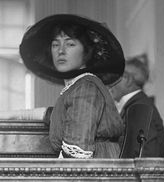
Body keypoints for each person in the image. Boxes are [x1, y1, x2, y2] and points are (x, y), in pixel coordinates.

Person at [19, 14, 125, 158]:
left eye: (70, 44)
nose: (61, 51)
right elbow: (57, 115)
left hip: (96, 173)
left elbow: (77, 153)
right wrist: (11, 115)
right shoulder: (77, 86)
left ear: (86, 52)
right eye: (55, 44)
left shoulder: (85, 88)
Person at [110, 58, 164, 157]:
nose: (109, 84)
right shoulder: (139, 104)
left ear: (127, 79)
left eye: (113, 77)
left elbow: (145, 153)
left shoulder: (139, 108)